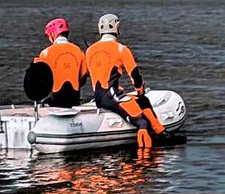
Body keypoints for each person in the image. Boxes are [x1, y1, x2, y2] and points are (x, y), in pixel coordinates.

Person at [85, 13, 170, 148]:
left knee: (141, 101)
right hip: (111, 96)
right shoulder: (121, 49)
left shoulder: (89, 50)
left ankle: (160, 131)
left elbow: (86, 75)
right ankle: (146, 158)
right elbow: (135, 76)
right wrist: (140, 91)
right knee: (142, 122)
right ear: (117, 28)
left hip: (99, 97)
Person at [33, 17, 88, 108]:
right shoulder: (78, 51)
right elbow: (83, 79)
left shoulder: (45, 53)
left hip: (55, 100)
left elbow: (39, 81)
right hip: (74, 99)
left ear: (53, 34)